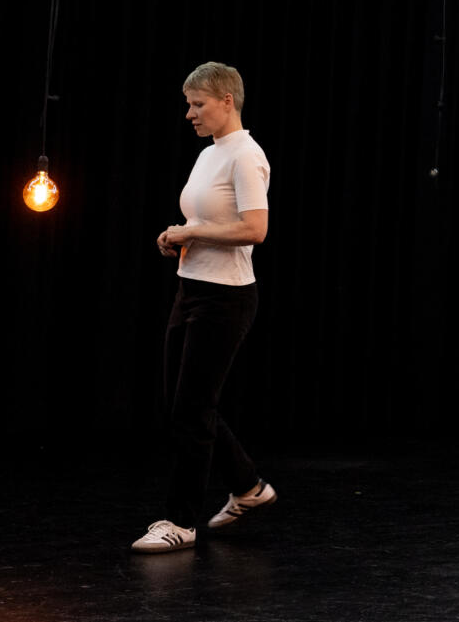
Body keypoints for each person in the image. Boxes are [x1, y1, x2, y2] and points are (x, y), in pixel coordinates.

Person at [131, 62, 278, 554]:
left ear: (227, 101)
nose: (190, 114)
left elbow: (255, 229)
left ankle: (181, 521)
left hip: (226, 298)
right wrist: (180, 235)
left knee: (191, 410)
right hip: (190, 289)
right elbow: (207, 220)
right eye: (188, 105)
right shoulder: (208, 154)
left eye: (198, 104)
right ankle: (249, 486)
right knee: (184, 407)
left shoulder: (246, 156)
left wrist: (193, 232)